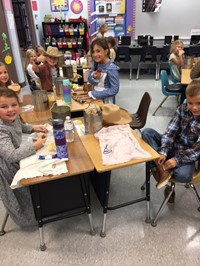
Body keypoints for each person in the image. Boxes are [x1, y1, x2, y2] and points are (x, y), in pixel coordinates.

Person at [142, 79, 200, 203]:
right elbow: (170, 132)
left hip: (187, 155)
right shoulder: (183, 108)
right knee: (147, 132)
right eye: (190, 103)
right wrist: (163, 151)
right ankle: (162, 167)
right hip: (172, 147)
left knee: (183, 176)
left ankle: (160, 167)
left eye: (199, 103)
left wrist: (176, 160)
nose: (194, 107)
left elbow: (197, 150)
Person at [0, 88, 47, 227]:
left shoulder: (12, 119)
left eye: (14, 105)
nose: (10, 110)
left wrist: (33, 128)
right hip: (7, 168)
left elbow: (20, 126)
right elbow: (11, 155)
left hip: (16, 158)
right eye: (3, 107)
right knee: (22, 194)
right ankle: (31, 219)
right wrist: (35, 146)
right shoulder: (1, 129)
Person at [87, 38, 120, 104]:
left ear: (106, 51)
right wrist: (94, 77)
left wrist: (95, 94)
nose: (95, 55)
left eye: (98, 51)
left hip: (106, 102)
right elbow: (90, 81)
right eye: (93, 52)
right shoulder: (95, 64)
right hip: (95, 99)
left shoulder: (111, 69)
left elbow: (114, 90)